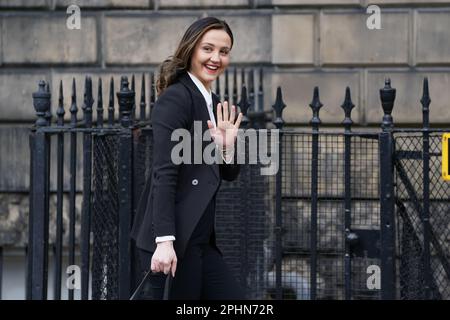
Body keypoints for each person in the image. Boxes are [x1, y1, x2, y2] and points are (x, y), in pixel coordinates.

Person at [130, 17, 244, 300]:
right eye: (208, 49)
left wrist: (227, 147)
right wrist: (164, 242)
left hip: (200, 242)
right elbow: (164, 174)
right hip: (172, 244)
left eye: (224, 51)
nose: (216, 58)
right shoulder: (176, 98)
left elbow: (228, 173)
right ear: (192, 50)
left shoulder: (213, 102)